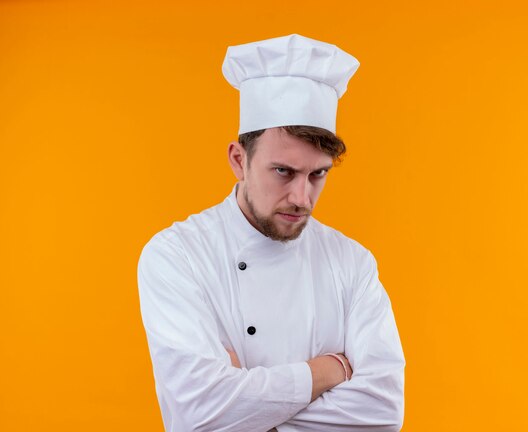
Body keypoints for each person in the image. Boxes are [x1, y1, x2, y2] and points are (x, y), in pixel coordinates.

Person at [138, 34, 405, 432]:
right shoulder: (176, 256)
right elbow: (200, 416)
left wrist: (244, 401)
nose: (302, 197)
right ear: (238, 160)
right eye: (284, 171)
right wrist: (329, 371)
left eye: (318, 174)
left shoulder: (352, 263)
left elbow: (382, 413)